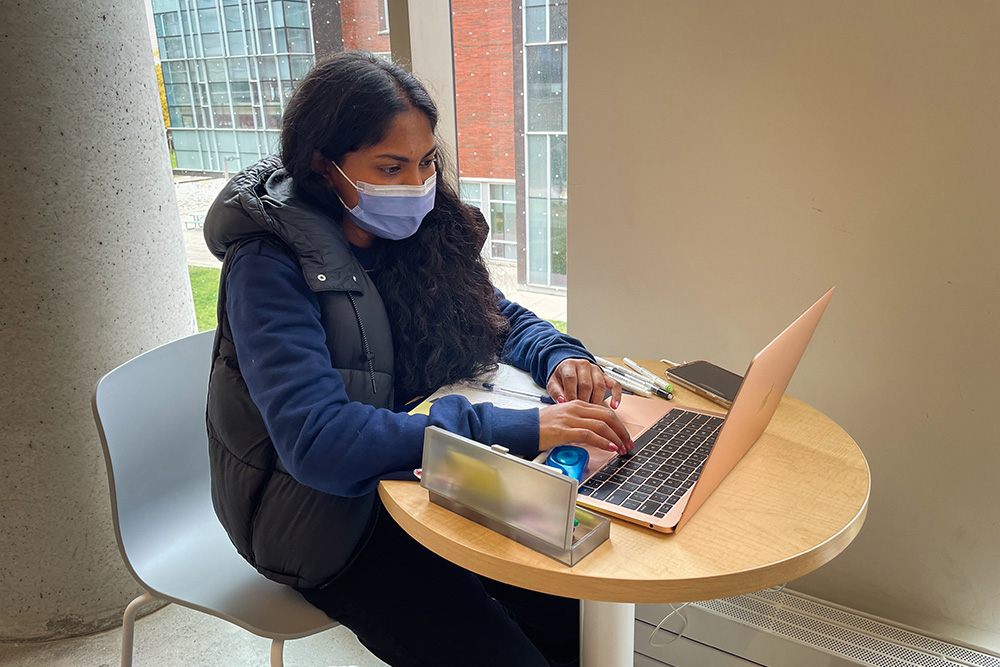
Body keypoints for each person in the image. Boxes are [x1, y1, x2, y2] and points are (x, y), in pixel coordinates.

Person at [203, 50, 632, 667]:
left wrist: (560, 356)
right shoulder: (268, 266)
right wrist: (524, 427)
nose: (416, 185)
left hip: (425, 474)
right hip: (322, 519)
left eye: (427, 161)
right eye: (390, 166)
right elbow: (319, 443)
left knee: (575, 611)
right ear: (325, 167)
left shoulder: (417, 229)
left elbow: (495, 314)